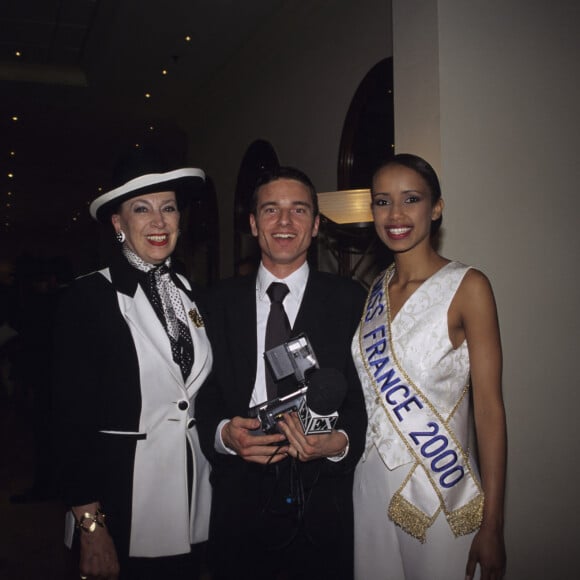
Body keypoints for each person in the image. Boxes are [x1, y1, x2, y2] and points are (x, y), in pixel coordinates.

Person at [196, 166, 368, 580]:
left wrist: (338, 442)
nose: (285, 222)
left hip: (322, 500)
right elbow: (202, 392)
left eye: (299, 210)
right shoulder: (214, 302)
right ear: (254, 224)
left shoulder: (350, 300)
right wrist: (223, 435)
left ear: (315, 226)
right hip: (239, 499)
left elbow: (366, 400)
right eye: (271, 210)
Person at [52, 150, 213, 580]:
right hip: (120, 501)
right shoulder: (88, 298)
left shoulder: (185, 289)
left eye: (169, 208)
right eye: (141, 209)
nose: (158, 222)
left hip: (189, 498)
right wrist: (91, 527)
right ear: (118, 224)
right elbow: (66, 423)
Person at [352, 153, 507, 580]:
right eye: (382, 202)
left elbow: (490, 410)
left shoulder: (468, 287)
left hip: (442, 488)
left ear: (436, 208)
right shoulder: (373, 292)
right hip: (369, 487)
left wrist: (493, 524)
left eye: (411, 199)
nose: (395, 214)